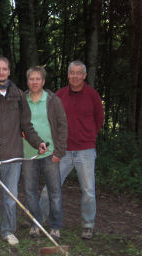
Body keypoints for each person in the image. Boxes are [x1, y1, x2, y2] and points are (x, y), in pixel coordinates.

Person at [0, 56, 47, 250]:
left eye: (4, 69)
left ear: (9, 71)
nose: (1, 72)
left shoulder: (19, 95)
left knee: (10, 196)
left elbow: (26, 125)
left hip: (12, 153)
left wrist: (38, 142)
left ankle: (8, 230)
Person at [40, 60, 104, 239]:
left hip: (85, 150)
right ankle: (39, 220)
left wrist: (88, 136)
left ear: (84, 76)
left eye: (79, 73)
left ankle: (88, 225)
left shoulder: (92, 95)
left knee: (88, 190)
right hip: (63, 150)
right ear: (68, 75)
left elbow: (99, 120)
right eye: (72, 73)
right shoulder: (59, 95)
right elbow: (51, 119)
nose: (75, 76)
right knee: (50, 187)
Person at [22, 66, 67, 239]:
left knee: (54, 191)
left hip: (50, 154)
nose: (34, 82)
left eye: (38, 79)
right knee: (30, 191)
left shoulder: (53, 100)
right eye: (31, 79)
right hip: (28, 154)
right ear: (27, 81)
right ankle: (36, 223)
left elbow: (62, 126)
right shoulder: (22, 100)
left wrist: (59, 151)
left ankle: (55, 226)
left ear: (43, 81)